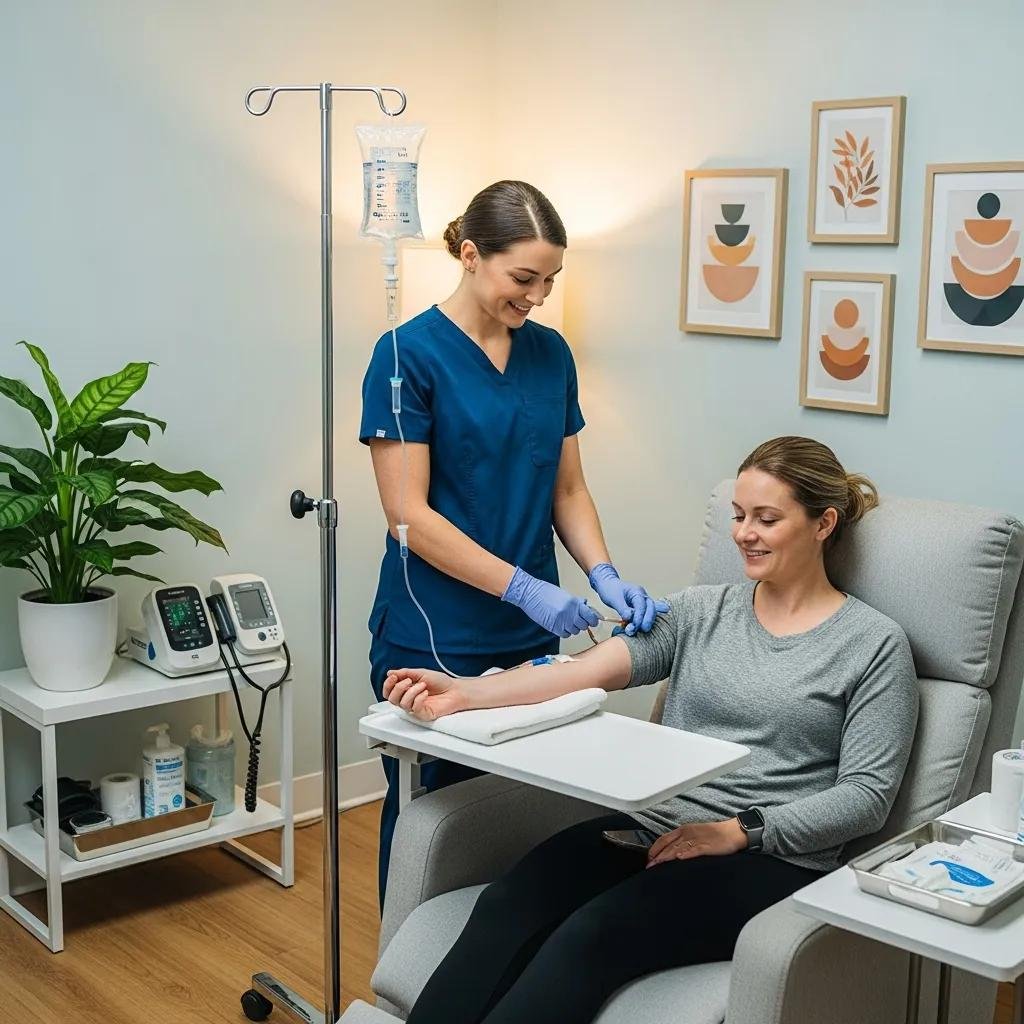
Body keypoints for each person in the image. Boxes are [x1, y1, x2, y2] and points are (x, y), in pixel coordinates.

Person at [382, 436, 920, 1024]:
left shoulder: (873, 645)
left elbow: (866, 799)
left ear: (824, 524)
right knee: (510, 901)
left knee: (591, 936)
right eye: (739, 516)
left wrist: (737, 831)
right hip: (654, 826)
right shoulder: (701, 612)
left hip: (770, 857)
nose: (744, 533)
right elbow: (584, 673)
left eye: (767, 519)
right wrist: (463, 693)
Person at [360, 180, 667, 906]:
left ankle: (494, 966)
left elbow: (567, 489)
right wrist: (524, 586)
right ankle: (410, 973)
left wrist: (603, 572)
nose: (537, 296)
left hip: (528, 638)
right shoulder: (407, 355)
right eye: (523, 278)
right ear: (471, 255)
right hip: (437, 631)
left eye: (549, 281)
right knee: (433, 820)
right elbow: (409, 515)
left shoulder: (550, 355)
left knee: (515, 811)